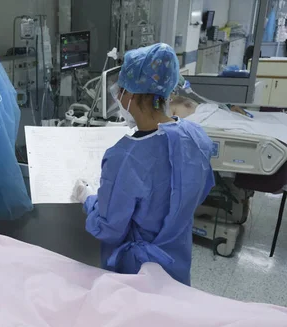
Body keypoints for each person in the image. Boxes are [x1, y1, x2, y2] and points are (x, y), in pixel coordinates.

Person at [72, 43, 215, 285]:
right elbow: (192, 191)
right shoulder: (195, 136)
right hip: (175, 258)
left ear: (132, 95)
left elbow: (110, 228)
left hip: (138, 270)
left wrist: (88, 197)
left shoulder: (126, 157)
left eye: (120, 89)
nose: (117, 95)